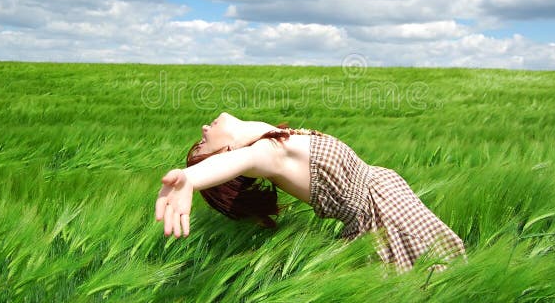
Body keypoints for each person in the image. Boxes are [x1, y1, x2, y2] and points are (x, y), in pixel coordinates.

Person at [154, 112, 465, 272]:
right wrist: (190, 178)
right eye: (204, 145)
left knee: (441, 276)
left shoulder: (271, 136)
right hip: (384, 217)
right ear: (225, 151)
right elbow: (241, 159)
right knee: (437, 278)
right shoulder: (263, 155)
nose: (204, 130)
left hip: (387, 198)